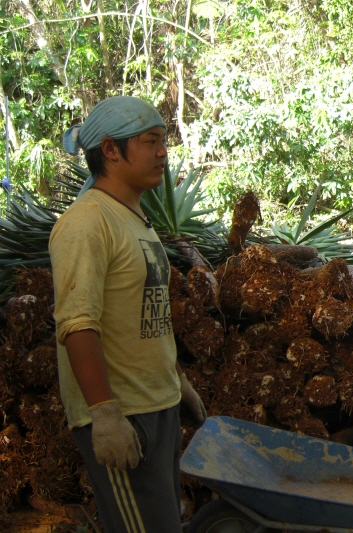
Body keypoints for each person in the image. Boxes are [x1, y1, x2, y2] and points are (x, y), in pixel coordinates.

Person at [50, 95, 207, 532]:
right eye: (151, 141)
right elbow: (77, 324)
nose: (163, 153)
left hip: (157, 406)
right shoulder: (87, 222)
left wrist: (177, 380)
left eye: (164, 141)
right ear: (111, 150)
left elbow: (146, 316)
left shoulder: (134, 219)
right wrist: (104, 413)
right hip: (124, 415)